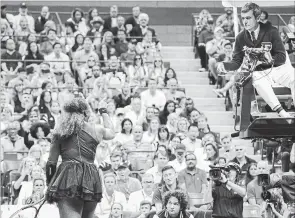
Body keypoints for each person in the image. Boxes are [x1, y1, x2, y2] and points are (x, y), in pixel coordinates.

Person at [217, 2, 295, 119]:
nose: (245, 21)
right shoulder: (240, 37)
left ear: (257, 18)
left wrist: (265, 60)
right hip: (261, 72)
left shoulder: (271, 31)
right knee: (255, 78)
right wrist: (225, 66)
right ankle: (282, 112)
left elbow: (282, 57)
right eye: (243, 18)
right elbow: (237, 61)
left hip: (279, 68)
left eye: (248, 18)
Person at [45, 97, 115, 218]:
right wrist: (103, 111)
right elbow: (111, 133)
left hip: (68, 179)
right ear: (85, 112)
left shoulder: (59, 132)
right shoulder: (96, 129)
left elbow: (51, 163)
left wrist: (50, 186)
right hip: (91, 179)